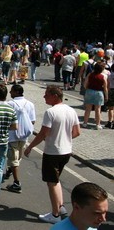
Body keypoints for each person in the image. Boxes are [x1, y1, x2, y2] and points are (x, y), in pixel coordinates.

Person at [24, 85, 81, 224]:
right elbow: (77, 132)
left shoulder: (50, 112)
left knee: (52, 183)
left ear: (55, 96)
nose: (44, 97)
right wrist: (64, 139)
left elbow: (44, 133)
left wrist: (30, 146)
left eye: (46, 95)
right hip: (66, 151)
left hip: (53, 152)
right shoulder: (71, 110)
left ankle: (55, 215)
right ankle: (60, 207)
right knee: (56, 180)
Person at [3, 84, 36, 193]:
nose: (10, 93)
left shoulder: (10, 104)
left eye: (11, 91)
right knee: (17, 157)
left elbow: (6, 119)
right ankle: (9, 170)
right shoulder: (30, 104)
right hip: (24, 136)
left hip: (12, 136)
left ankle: (17, 183)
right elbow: (33, 121)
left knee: (13, 159)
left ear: (17, 92)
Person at [82, 62, 108, 130]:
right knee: (98, 109)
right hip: (99, 93)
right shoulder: (103, 76)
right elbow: (105, 88)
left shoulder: (90, 74)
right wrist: (106, 96)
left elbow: (85, 84)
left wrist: (87, 89)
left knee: (88, 109)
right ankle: (98, 124)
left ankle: (85, 123)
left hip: (89, 91)